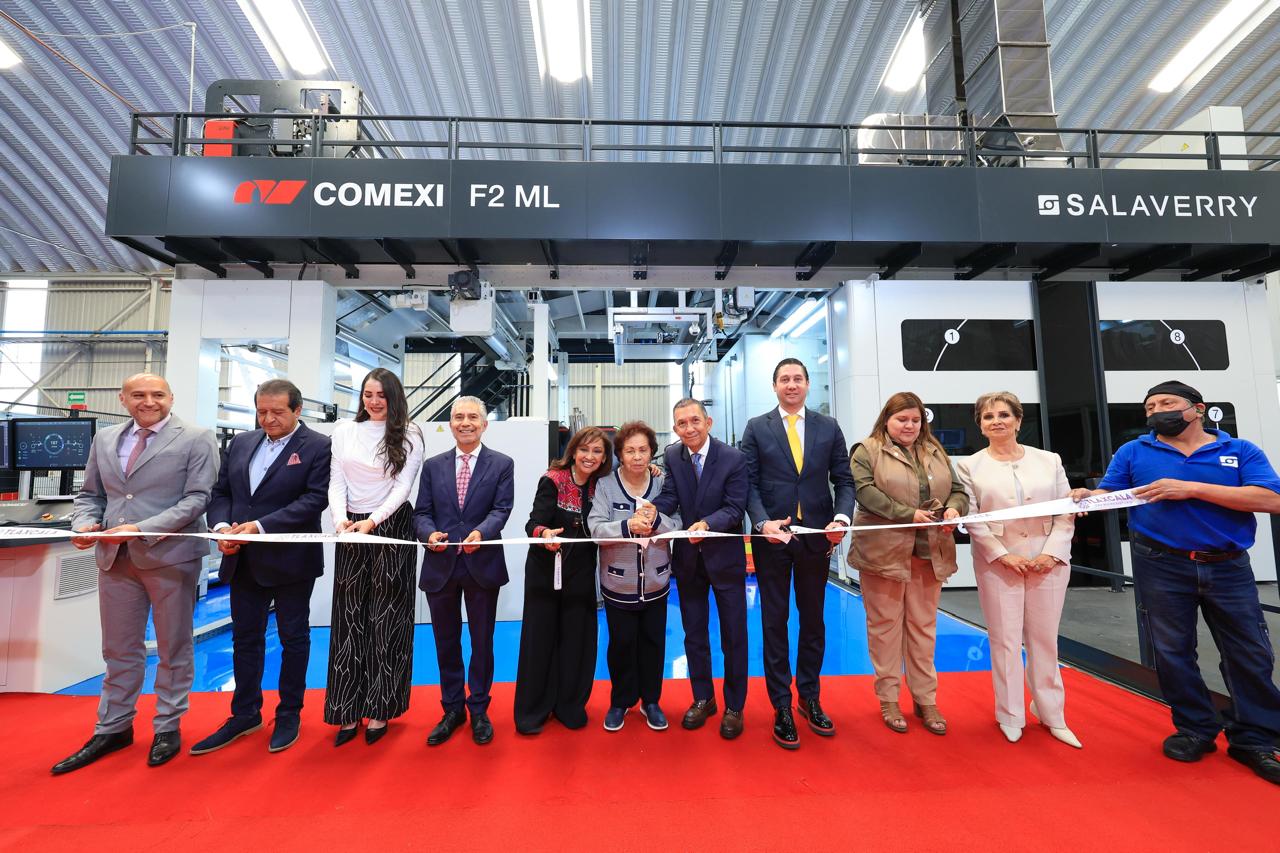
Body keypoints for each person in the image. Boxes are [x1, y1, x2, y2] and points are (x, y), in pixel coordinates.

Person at [1073, 380, 1280, 784]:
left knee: (1250, 652)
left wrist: (1191, 489)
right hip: (1161, 566)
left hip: (1228, 567)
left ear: (1197, 409)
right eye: (1150, 407)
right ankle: (1195, 729)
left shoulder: (1239, 451)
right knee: (1172, 653)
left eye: (1166, 403)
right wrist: (1086, 497)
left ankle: (1254, 739)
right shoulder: (1134, 451)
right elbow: (1110, 494)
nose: (1157, 411)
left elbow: (1271, 499)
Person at [53, 373, 218, 774]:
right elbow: (92, 495)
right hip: (115, 558)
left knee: (173, 646)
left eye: (158, 394)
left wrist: (141, 528)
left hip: (171, 557)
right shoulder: (105, 439)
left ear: (171, 398)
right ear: (122, 399)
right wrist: (83, 523)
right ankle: (113, 727)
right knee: (118, 649)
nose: (149, 401)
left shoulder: (197, 438)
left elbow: (197, 499)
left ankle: (167, 726)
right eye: (139, 395)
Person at [192, 380, 332, 756]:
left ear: (297, 410)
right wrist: (222, 528)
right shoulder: (241, 443)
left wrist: (259, 526)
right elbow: (222, 493)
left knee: (293, 638)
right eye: (262, 412)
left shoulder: (318, 446)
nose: (268, 419)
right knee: (245, 638)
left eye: (278, 412)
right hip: (243, 559)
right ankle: (245, 713)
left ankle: (289, 714)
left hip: (291, 561)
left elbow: (314, 499)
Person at [955, 391, 1080, 748]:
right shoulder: (969, 466)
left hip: (1048, 562)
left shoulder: (1049, 460)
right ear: (980, 425)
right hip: (998, 564)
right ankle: (1010, 714)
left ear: (1018, 420)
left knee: (1045, 640)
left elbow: (1066, 509)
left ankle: (1052, 713)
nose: (996, 421)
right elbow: (973, 518)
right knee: (1005, 640)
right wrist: (1001, 555)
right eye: (988, 416)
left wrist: (1051, 553)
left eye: (1003, 415)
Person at [741, 358, 854, 749]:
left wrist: (841, 518)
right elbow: (748, 484)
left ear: (807, 384)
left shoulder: (829, 426)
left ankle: (809, 696)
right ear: (774, 386)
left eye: (798, 379)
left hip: (816, 538)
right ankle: (781, 705)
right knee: (774, 622)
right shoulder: (757, 427)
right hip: (772, 539)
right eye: (784, 379)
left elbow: (844, 480)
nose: (791, 385)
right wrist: (761, 523)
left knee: (813, 621)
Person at [847, 391, 967, 736]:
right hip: (882, 555)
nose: (910, 426)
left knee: (923, 629)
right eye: (902, 419)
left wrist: (955, 508)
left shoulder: (935, 450)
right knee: (884, 629)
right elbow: (865, 493)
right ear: (887, 419)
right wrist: (907, 514)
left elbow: (958, 490)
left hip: (929, 554)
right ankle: (888, 699)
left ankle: (925, 699)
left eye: (915, 420)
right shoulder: (866, 450)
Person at [325, 367, 425, 747]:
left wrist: (373, 521)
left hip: (391, 525)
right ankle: (347, 710)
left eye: (382, 394)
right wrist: (340, 520)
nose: (374, 401)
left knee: (387, 619)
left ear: (394, 397)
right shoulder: (343, 431)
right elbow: (336, 481)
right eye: (368, 394)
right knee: (348, 617)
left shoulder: (410, 434)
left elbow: (403, 487)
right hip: (350, 525)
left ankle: (381, 709)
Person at [413, 396, 514, 747]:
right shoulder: (432, 466)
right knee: (446, 642)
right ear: (450, 424)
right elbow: (421, 512)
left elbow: (502, 509)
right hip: (440, 564)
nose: (465, 422)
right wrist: (428, 535)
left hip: (481, 564)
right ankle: (452, 708)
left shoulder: (502, 464)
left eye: (473, 417)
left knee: (482, 642)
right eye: (458, 417)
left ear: (484, 424)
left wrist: (481, 533)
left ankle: (479, 709)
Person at [650, 398, 750, 739]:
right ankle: (703, 698)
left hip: (725, 558)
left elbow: (735, 508)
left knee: (734, 636)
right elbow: (670, 497)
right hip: (689, 560)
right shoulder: (673, 456)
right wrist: (652, 511)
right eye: (682, 423)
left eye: (695, 420)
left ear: (708, 422)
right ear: (675, 428)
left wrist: (707, 524)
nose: (689, 428)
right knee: (694, 634)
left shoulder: (733, 458)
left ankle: (734, 706)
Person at [514, 426, 612, 733]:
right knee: (540, 640)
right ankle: (533, 710)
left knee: (577, 640)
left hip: (581, 573)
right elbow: (532, 523)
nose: (589, 456)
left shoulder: (603, 484)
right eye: (584, 449)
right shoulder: (553, 479)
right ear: (573, 451)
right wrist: (544, 533)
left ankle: (570, 705)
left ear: (604, 457)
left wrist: (652, 469)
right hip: (546, 571)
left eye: (597, 451)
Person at [587, 420, 678, 732]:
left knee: (653, 643)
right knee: (621, 644)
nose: (637, 457)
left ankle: (651, 701)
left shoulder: (663, 483)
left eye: (643, 450)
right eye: (630, 451)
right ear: (620, 455)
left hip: (656, 581)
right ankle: (620, 701)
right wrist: (627, 526)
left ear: (652, 453)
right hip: (618, 583)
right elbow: (596, 528)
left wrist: (657, 522)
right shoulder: (605, 485)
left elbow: (679, 522)